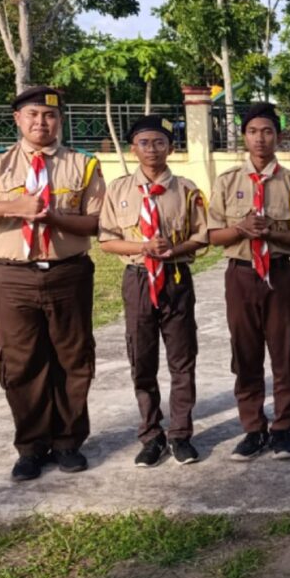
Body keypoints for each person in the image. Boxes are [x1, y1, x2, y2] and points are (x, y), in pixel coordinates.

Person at [0, 86, 105, 482]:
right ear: (18, 119)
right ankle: (31, 447)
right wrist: (12, 206)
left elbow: (98, 222)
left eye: (49, 115)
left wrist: (54, 218)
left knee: (73, 359)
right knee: (20, 362)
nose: (41, 122)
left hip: (68, 273)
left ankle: (68, 442)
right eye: (32, 114)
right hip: (13, 277)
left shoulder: (83, 164)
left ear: (60, 120)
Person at [207, 102, 290, 461]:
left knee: (284, 354)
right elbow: (212, 235)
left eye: (267, 131)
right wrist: (240, 229)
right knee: (245, 353)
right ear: (244, 136)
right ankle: (253, 428)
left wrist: (272, 232)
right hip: (240, 275)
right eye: (253, 131)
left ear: (278, 137)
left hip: (279, 276)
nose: (260, 139)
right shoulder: (227, 182)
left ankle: (283, 428)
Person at [99, 114, 209, 466]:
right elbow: (106, 240)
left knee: (182, 358)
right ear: (133, 148)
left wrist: (173, 250)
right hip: (138, 279)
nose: (152, 149)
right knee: (142, 359)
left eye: (160, 142)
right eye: (144, 143)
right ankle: (151, 434)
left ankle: (180, 434)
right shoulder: (118, 190)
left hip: (175, 278)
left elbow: (201, 236)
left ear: (171, 148)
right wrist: (142, 247)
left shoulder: (187, 190)